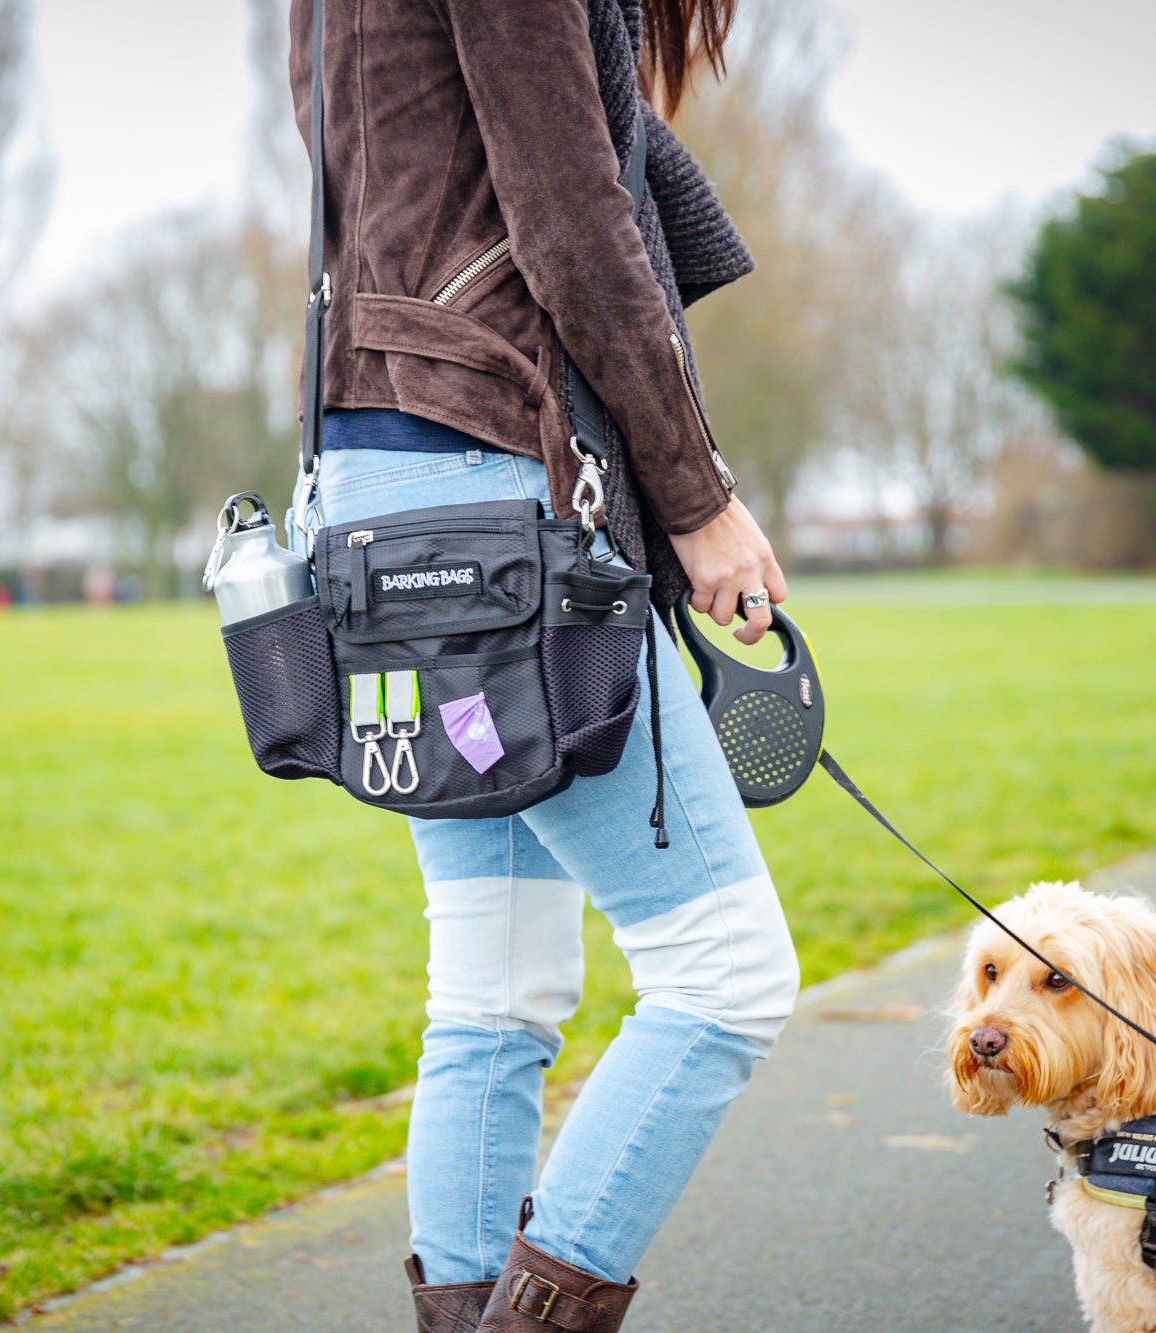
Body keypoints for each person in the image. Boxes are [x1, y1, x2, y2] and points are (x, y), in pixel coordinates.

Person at [286, 1, 797, 1328]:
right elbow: (572, 218)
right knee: (725, 970)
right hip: (495, 481)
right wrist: (695, 497)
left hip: (382, 481)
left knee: (495, 984)